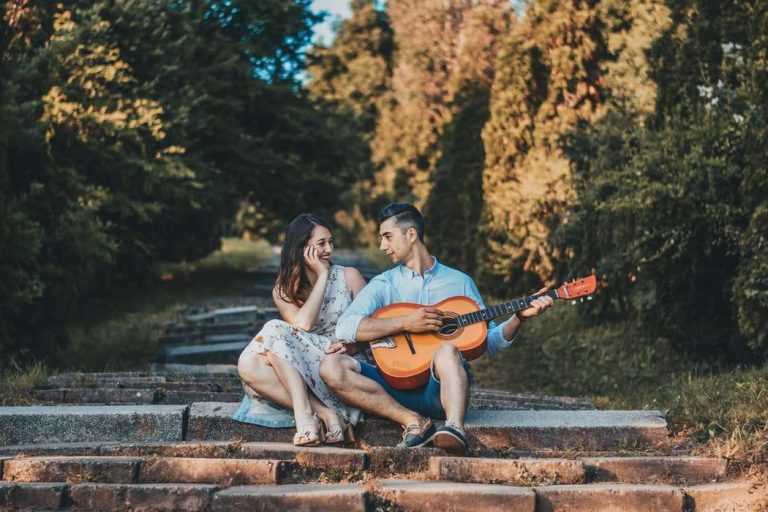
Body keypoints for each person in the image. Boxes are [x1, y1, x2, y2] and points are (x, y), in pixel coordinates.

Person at [320, 203, 554, 455]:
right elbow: (345, 326)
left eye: (387, 237)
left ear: (411, 235)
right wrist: (405, 322)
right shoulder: (383, 284)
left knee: (447, 351)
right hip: (390, 386)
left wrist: (519, 317)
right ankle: (413, 422)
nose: (382, 246)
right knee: (331, 366)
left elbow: (492, 341)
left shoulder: (460, 283)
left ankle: (454, 429)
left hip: (439, 393)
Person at [236, 213, 367, 446]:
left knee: (274, 329)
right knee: (248, 364)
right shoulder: (283, 289)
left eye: (331, 242)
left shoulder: (349, 277)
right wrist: (322, 278)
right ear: (302, 248)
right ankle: (325, 414)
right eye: (321, 243)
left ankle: (305, 420)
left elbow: (373, 329)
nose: (329, 249)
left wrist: (324, 274)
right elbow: (303, 326)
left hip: (339, 362)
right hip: (304, 369)